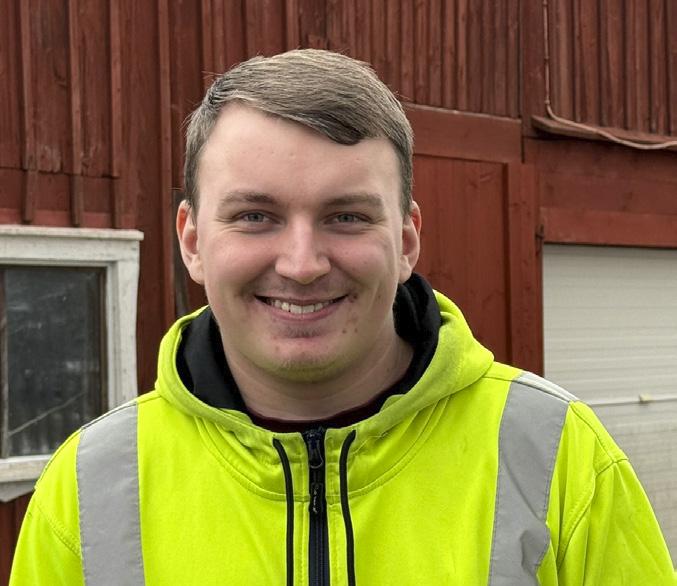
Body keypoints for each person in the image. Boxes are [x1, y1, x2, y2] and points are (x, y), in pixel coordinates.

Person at [10, 49, 675, 586]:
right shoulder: (89, 487)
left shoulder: (558, 454)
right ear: (191, 240)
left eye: (346, 216)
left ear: (406, 240)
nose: (302, 264)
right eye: (255, 216)